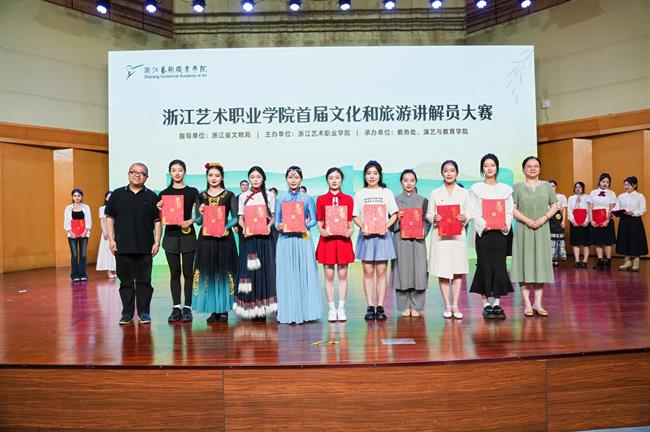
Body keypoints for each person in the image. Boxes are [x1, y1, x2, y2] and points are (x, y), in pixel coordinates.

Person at [105, 163, 161, 325]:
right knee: (126, 283)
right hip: (122, 247)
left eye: (141, 173)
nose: (137, 175)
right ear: (128, 174)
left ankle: (144, 313)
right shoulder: (117, 194)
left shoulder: (152, 196)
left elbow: (157, 221)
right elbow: (110, 218)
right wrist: (111, 240)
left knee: (144, 283)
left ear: (146, 177)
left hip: (145, 247)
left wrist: (157, 242)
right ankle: (127, 314)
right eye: (134, 172)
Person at [468, 154, 514, 319]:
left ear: (497, 167)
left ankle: (497, 303)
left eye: (492, 165)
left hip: (500, 234)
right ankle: (486, 303)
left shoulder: (505, 189)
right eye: (486, 165)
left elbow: (509, 210)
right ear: (482, 168)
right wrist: (483, 223)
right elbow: (473, 210)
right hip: (484, 234)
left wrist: (505, 224)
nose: (489, 168)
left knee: (500, 266)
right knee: (484, 266)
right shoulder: (476, 189)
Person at [511, 156, 558, 317]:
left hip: (542, 229)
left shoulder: (546, 186)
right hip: (523, 229)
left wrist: (544, 218)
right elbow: (513, 208)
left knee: (540, 265)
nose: (532, 168)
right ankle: (526, 303)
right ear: (523, 169)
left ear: (540, 168)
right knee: (523, 265)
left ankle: (538, 303)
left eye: (536, 166)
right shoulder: (517, 187)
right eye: (529, 166)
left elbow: (554, 205)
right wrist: (527, 221)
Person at [192, 162, 239, 323]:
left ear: (222, 177)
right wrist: (200, 212)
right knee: (209, 272)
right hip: (206, 240)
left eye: (217, 175)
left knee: (224, 271)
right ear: (206, 177)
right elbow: (199, 222)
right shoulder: (201, 196)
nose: (214, 178)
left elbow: (235, 218)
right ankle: (213, 309)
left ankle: (223, 309)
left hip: (224, 239)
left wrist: (225, 228)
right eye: (210, 175)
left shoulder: (229, 195)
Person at [275, 166, 322, 324]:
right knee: (287, 276)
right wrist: (279, 226)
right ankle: (289, 313)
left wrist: (303, 224)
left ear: (301, 179)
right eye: (290, 177)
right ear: (286, 179)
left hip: (302, 240)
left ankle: (306, 313)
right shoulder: (280, 199)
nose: (293, 180)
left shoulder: (307, 198)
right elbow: (276, 222)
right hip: (286, 240)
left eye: (296, 177)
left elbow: (314, 220)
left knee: (304, 274)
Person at [353, 160, 398, 321]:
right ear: (364, 176)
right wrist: (362, 226)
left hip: (382, 236)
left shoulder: (386, 193)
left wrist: (387, 226)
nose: (372, 176)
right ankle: (370, 306)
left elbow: (394, 214)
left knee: (381, 272)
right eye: (368, 173)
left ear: (380, 175)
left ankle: (380, 306)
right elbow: (355, 215)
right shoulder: (360, 193)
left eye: (375, 173)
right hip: (366, 236)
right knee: (367, 272)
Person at [158, 159, 199, 323]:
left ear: (185, 172)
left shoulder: (192, 191)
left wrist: (190, 221)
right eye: (174, 170)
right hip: (171, 237)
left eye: (180, 170)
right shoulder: (164, 193)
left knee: (188, 273)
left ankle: (187, 307)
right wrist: (159, 209)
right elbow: (159, 218)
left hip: (188, 236)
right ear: (170, 172)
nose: (177, 173)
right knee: (174, 273)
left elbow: (199, 215)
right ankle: (176, 307)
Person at [426, 161, 469, 319]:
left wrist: (465, 217)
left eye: (452, 171)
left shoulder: (464, 193)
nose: (449, 173)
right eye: (446, 171)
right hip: (441, 236)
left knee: (457, 271)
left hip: (458, 236)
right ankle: (447, 305)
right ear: (442, 173)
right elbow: (429, 214)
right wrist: (434, 218)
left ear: (457, 173)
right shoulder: (435, 193)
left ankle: (455, 305)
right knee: (442, 271)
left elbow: (470, 212)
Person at [235, 166, 277, 320]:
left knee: (264, 271)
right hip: (249, 239)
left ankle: (263, 308)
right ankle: (251, 307)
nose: (255, 180)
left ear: (263, 178)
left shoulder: (270, 195)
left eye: (258, 177)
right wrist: (244, 228)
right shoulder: (243, 196)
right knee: (250, 272)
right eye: (252, 177)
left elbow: (273, 217)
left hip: (264, 240)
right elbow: (240, 219)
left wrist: (268, 226)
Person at [316, 167, 355, 322]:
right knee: (329, 275)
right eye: (331, 178)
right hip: (328, 241)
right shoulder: (321, 199)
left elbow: (350, 223)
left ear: (342, 180)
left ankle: (341, 308)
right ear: (327, 180)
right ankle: (332, 309)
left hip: (343, 241)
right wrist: (321, 230)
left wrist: (351, 230)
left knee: (343, 274)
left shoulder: (348, 199)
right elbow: (319, 222)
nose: (334, 180)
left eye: (337, 177)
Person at [393, 169, 431, 317]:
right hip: (400, 239)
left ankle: (416, 305)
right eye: (405, 180)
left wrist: (423, 231)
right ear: (401, 182)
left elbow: (427, 221)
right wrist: (397, 219)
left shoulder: (423, 200)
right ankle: (404, 305)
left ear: (416, 182)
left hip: (418, 241)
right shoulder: (395, 200)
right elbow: (389, 224)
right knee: (401, 270)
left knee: (419, 271)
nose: (409, 183)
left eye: (412, 180)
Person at [614, 176, 647, 272]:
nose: (626, 186)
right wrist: (614, 211)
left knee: (635, 241)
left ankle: (636, 262)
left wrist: (633, 212)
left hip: (635, 221)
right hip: (624, 220)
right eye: (625, 185)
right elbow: (617, 207)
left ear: (635, 185)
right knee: (625, 240)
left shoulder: (640, 196)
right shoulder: (621, 196)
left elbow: (643, 209)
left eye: (628, 185)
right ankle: (627, 262)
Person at [587, 173, 617, 269]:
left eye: (607, 182)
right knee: (598, 241)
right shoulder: (593, 193)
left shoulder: (612, 193)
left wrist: (607, 220)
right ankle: (600, 260)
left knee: (607, 242)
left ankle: (608, 261)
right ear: (599, 182)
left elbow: (612, 208)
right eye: (603, 181)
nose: (605, 184)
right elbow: (590, 208)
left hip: (607, 220)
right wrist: (591, 220)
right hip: (595, 220)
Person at [64, 188, 92, 282]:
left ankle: (83, 274)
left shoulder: (86, 207)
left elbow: (88, 220)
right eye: (75, 196)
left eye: (79, 196)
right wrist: (71, 232)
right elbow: (66, 221)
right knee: (75, 255)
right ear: (72, 197)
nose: (77, 198)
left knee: (83, 255)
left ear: (82, 197)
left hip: (84, 234)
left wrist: (85, 231)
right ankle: (74, 275)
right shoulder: (68, 208)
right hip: (72, 234)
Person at [567, 181, 590, 268]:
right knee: (576, 242)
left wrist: (587, 221)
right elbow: (569, 210)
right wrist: (573, 221)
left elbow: (589, 210)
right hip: (574, 222)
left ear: (583, 188)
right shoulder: (571, 198)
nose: (578, 189)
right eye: (576, 187)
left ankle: (585, 260)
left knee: (586, 243)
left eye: (580, 187)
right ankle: (577, 260)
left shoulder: (587, 197)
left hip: (585, 223)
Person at [96, 191, 116, 278]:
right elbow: (102, 221)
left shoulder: (116, 206)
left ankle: (114, 269)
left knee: (116, 250)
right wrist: (105, 232)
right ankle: (109, 270)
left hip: (116, 231)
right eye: (108, 197)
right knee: (108, 251)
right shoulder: (102, 208)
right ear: (106, 198)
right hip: (107, 232)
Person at [548, 180, 568, 266]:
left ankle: (556, 259)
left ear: (556, 187)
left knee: (557, 239)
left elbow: (564, 209)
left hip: (557, 218)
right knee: (549, 239)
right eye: (550, 186)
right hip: (548, 217)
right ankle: (549, 258)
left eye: (553, 186)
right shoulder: (545, 196)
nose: (551, 188)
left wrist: (563, 221)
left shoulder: (561, 197)